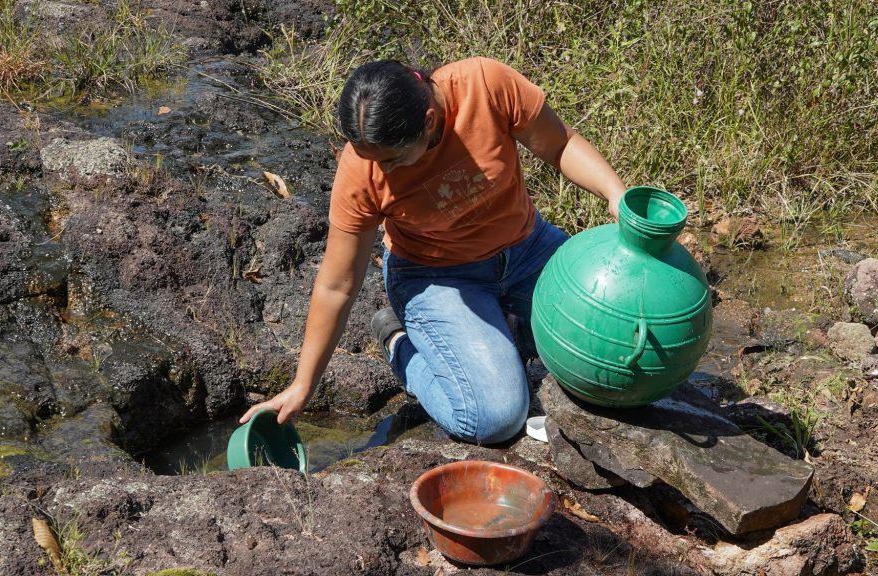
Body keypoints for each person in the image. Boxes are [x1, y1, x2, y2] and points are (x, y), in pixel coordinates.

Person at [240, 57, 625, 444]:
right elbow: (337, 284)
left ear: (428, 121)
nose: (384, 172)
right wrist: (303, 384)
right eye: (372, 159)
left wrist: (616, 194)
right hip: (436, 277)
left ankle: (507, 326)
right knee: (494, 418)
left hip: (529, 249)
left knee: (617, 344)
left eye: (392, 159)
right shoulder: (361, 171)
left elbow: (560, 145)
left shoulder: (484, 86)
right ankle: (399, 342)